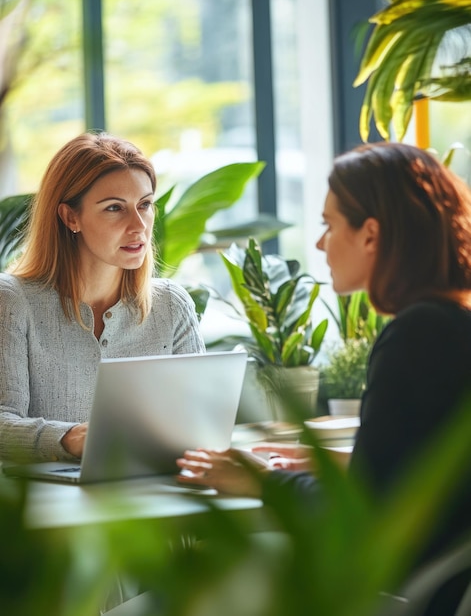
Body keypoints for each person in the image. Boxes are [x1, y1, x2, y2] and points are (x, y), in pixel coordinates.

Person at [177, 142, 471, 614]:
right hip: (450, 583)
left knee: (205, 581)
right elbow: (428, 468)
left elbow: (368, 512)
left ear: (371, 234)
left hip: (421, 594)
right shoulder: (453, 323)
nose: (319, 243)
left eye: (329, 225)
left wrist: (259, 480)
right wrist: (333, 461)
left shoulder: (417, 335)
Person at [0, 132, 205, 463]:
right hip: (46, 506)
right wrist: (69, 438)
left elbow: (201, 425)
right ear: (71, 217)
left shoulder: (171, 305)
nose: (138, 225)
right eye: (114, 208)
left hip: (157, 492)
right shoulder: (11, 301)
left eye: (145, 205)